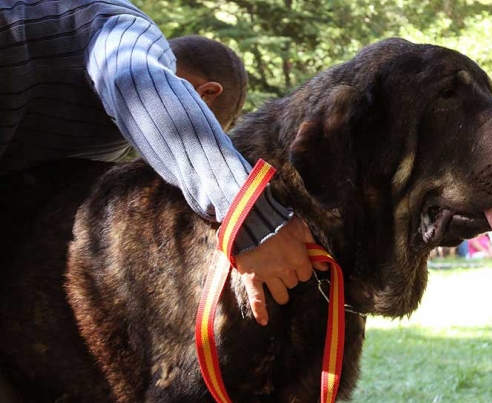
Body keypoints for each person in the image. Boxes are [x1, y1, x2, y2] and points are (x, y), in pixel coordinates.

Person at [0, 1, 327, 328]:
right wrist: (252, 217)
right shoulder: (120, 22)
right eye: (208, 124)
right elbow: (136, 81)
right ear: (206, 94)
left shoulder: (95, 136)